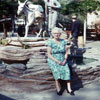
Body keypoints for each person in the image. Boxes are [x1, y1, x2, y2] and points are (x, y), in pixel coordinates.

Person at [45, 27, 74, 96]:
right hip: (53, 59)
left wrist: (65, 60)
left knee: (67, 70)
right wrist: (57, 61)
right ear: (52, 34)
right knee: (56, 71)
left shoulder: (63, 41)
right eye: (55, 33)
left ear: (60, 34)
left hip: (62, 58)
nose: (56, 35)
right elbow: (49, 54)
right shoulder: (50, 42)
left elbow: (66, 52)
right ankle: (58, 88)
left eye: (58, 33)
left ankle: (69, 89)